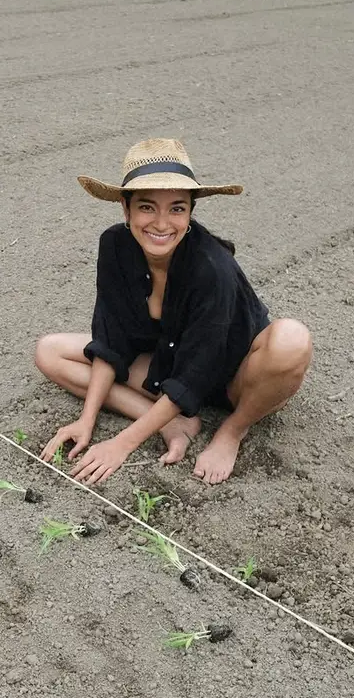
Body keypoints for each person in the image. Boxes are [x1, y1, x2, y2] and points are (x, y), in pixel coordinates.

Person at [35, 138, 312, 486]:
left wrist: (122, 444)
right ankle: (172, 421)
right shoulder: (115, 247)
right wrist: (86, 420)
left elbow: (199, 370)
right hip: (169, 369)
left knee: (292, 338)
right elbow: (111, 340)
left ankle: (231, 431)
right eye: (147, 207)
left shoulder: (213, 268)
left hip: (235, 381)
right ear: (126, 209)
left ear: (190, 212)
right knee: (49, 351)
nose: (162, 223)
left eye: (177, 208)